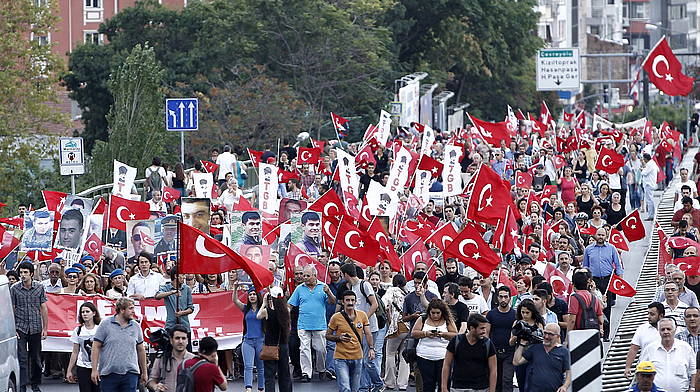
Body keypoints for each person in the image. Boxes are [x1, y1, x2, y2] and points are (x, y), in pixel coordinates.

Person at [339, 263, 383, 392]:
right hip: (358, 329)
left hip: (370, 327)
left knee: (367, 360)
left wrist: (363, 319)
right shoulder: (352, 287)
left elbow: (374, 305)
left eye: (342, 274)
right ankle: (364, 387)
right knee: (361, 360)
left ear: (346, 274)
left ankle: (378, 382)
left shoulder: (365, 285)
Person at [288, 265, 336, 382]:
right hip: (303, 324)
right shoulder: (299, 288)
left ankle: (321, 369)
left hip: (319, 324)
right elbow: (290, 304)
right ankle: (306, 373)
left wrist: (329, 292)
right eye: (304, 275)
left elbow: (333, 301)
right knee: (304, 349)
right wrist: (285, 314)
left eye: (307, 275)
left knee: (320, 349)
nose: (304, 278)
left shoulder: (323, 287)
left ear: (315, 276)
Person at [90, 297, 148, 392]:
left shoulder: (136, 326)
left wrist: (144, 372)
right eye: (131, 308)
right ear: (122, 310)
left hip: (130, 374)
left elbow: (141, 350)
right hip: (109, 374)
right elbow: (96, 347)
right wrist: (94, 370)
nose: (133, 311)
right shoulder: (105, 324)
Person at [326, 290, 376, 392]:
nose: (350, 302)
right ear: (343, 302)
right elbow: (327, 335)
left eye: (352, 300)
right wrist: (339, 338)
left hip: (357, 357)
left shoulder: (362, 315)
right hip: (340, 358)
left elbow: (368, 333)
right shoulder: (336, 317)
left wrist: (371, 348)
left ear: (356, 302)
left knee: (355, 389)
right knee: (345, 388)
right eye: (347, 300)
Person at [10, 262, 48, 392]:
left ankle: (35, 383)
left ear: (31, 273)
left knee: (36, 357)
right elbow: (12, 308)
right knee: (22, 357)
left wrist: (45, 328)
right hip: (20, 327)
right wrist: (13, 328)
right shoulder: (14, 288)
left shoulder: (39, 287)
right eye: (21, 273)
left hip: (36, 326)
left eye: (25, 272)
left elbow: (43, 307)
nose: (23, 275)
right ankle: (22, 385)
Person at [583, 227, 623, 339]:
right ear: (595, 235)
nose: (600, 237)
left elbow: (618, 265)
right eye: (598, 234)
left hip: (607, 280)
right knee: (593, 306)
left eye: (602, 235)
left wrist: (619, 278)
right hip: (593, 281)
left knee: (607, 306)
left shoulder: (611, 248)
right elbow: (585, 266)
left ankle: (606, 334)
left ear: (606, 236)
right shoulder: (588, 249)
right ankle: (596, 333)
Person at [441, 313, 497, 392]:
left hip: (481, 388)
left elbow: (493, 369)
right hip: (458, 387)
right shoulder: (457, 341)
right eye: (482, 328)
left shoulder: (487, 343)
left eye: (485, 328)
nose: (484, 331)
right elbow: (446, 364)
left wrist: (492, 390)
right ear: (472, 328)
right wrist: (444, 387)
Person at [411, 298, 458, 392]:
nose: (435, 315)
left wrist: (443, 334)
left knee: (444, 383)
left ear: (442, 312)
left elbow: (455, 335)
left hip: (443, 356)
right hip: (424, 356)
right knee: (428, 384)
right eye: (433, 313)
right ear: (429, 312)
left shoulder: (447, 320)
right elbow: (414, 333)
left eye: (438, 313)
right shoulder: (423, 318)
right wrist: (425, 334)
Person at [639, 317, 696, 392]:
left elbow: (693, 371)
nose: (666, 332)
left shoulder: (686, 348)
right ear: (658, 331)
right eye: (663, 329)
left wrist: (692, 388)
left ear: (675, 330)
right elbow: (641, 371)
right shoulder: (650, 349)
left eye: (668, 329)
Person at [513, 323, 571, 392]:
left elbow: (568, 374)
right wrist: (522, 344)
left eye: (550, 334)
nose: (546, 336)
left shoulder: (564, 351)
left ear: (558, 336)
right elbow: (516, 362)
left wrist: (564, 387)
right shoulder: (535, 348)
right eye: (545, 333)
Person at [257, 286, 292, 392]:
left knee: (269, 376)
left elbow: (258, 316)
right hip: (283, 345)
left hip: (270, 346)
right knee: (284, 374)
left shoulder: (267, 312)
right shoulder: (287, 311)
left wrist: (264, 302)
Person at [232, 285, 265, 392]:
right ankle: (248, 388)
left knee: (261, 367)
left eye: (254, 294)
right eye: (250, 294)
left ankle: (261, 388)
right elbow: (235, 300)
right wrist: (235, 288)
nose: (252, 296)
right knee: (248, 366)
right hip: (247, 341)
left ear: (258, 296)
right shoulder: (246, 308)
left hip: (261, 340)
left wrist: (268, 288)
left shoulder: (263, 309)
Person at [382, 274, 410, 391]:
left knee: (390, 353)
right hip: (408, 326)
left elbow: (384, 302)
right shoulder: (408, 293)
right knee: (404, 356)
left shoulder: (391, 290)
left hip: (396, 326)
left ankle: (390, 382)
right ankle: (403, 384)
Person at [146, 325, 194, 392]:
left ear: (187, 341)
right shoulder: (161, 359)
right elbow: (151, 381)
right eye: (177, 338)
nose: (180, 341)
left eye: (183, 338)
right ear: (171, 340)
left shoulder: (194, 360)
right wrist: (155, 386)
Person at [487, 286, 517, 392]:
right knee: (495, 379)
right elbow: (486, 334)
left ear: (509, 298)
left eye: (505, 297)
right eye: (501, 296)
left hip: (509, 352)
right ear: (497, 298)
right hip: (494, 352)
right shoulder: (491, 314)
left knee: (507, 379)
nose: (503, 299)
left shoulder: (515, 315)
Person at [67, 302, 101, 392]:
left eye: (87, 311)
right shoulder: (78, 330)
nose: (84, 314)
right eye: (82, 312)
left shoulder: (100, 329)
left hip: (98, 366)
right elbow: (75, 352)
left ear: (94, 313)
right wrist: (69, 370)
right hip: (83, 366)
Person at [625, 302, 665, 378]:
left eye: (652, 314)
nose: (649, 316)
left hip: (663, 369)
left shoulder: (669, 329)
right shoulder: (642, 329)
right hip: (644, 369)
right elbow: (633, 349)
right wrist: (628, 367)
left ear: (661, 316)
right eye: (648, 313)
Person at [155, 266, 194, 334]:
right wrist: (172, 292)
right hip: (170, 327)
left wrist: (182, 313)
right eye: (182, 275)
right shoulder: (166, 288)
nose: (184, 277)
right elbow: (157, 296)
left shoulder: (187, 289)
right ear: (176, 276)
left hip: (185, 327)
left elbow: (191, 308)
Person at [641, 153, 659, 221]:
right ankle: (651, 214)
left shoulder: (649, 164)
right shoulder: (652, 163)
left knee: (649, 200)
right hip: (650, 183)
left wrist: (642, 169)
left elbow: (644, 173)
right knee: (650, 200)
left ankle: (651, 215)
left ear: (645, 159)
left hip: (649, 184)